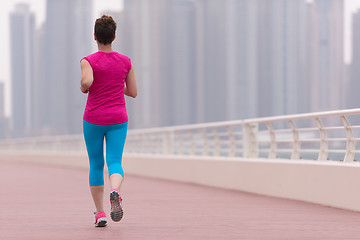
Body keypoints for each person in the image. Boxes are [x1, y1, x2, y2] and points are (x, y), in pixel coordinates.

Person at [80, 15, 137, 227]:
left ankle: (100, 213)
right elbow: (133, 92)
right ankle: (115, 190)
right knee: (115, 161)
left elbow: (86, 82)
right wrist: (114, 86)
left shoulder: (88, 61)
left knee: (96, 164)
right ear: (114, 36)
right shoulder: (125, 61)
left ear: (95, 36)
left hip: (93, 119)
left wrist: (85, 86)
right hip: (118, 119)